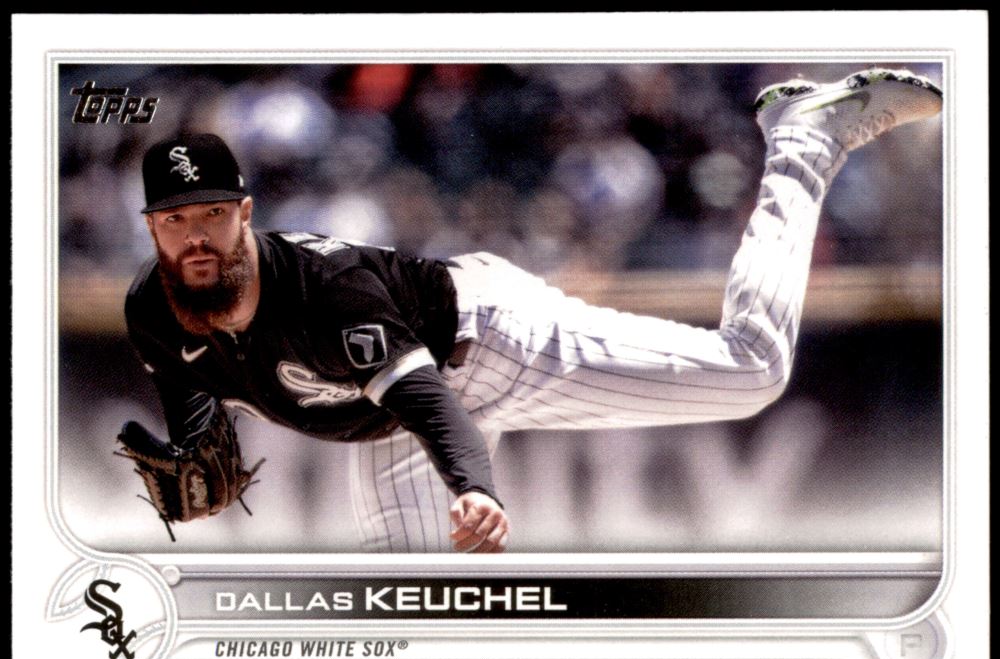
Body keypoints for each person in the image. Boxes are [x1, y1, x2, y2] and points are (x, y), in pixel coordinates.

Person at [123, 67, 942, 553]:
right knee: (413, 639)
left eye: (212, 214)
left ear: (245, 213)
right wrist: (195, 466)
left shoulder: (321, 290)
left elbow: (432, 404)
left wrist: (475, 488)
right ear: (153, 228)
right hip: (389, 427)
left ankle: (803, 141)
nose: (197, 236)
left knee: (754, 368)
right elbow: (198, 414)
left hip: (488, 344)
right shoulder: (154, 309)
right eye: (175, 220)